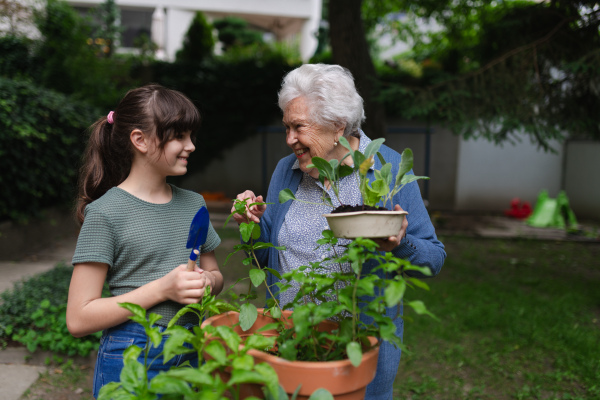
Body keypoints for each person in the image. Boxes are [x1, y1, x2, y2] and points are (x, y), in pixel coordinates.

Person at [232, 64, 446, 400]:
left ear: (337, 126)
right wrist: (251, 227)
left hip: (356, 352)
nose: (289, 140)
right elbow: (266, 259)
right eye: (286, 127)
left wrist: (399, 244)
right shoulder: (285, 172)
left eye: (298, 127)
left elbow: (434, 258)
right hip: (293, 346)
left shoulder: (385, 170)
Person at [66, 84, 223, 398]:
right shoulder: (106, 213)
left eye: (191, 135)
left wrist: (208, 281)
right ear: (139, 139)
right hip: (131, 353)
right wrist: (162, 289)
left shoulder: (194, 204)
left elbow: (217, 276)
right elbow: (79, 317)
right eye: (179, 136)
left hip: (190, 345)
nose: (191, 145)